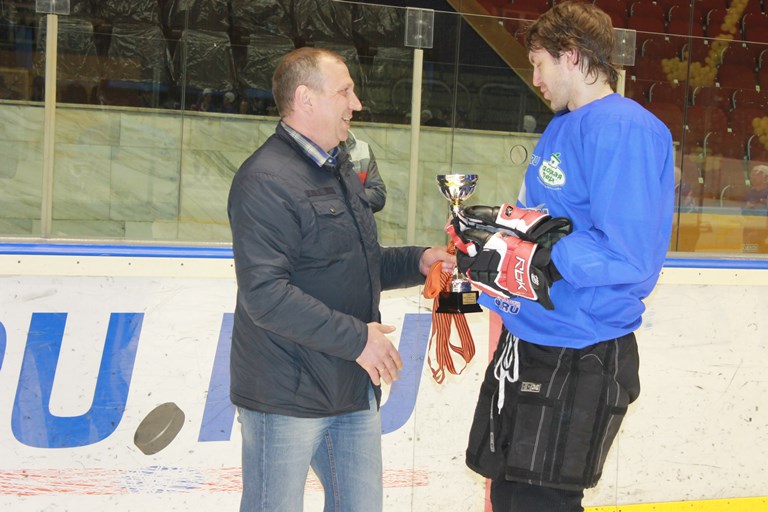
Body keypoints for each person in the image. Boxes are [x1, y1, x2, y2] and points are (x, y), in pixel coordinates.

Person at [448, 3, 674, 511]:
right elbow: (548, 224)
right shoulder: (562, 125)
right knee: (508, 494)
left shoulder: (625, 130)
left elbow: (629, 253)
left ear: (570, 55)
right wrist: (496, 239)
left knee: (541, 501)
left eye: (538, 64)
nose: (535, 78)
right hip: (531, 335)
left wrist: (538, 255)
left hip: (581, 345)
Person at [227, 46, 455, 512]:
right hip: (285, 393)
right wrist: (359, 340)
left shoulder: (339, 169)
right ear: (305, 99)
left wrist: (419, 261)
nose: (357, 104)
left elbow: (356, 262)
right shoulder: (264, 180)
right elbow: (265, 295)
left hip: (350, 386)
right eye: (345, 92)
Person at [342, 130, 387, 213]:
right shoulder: (317, 151)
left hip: (357, 220)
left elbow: (378, 197)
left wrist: (342, 197)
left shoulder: (363, 149)